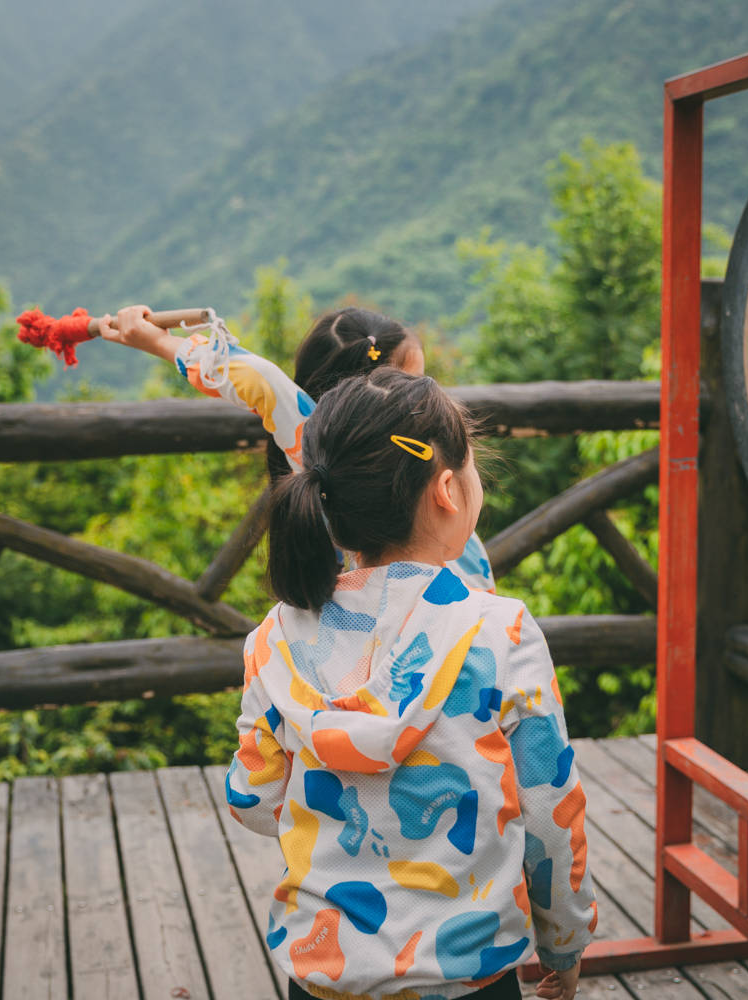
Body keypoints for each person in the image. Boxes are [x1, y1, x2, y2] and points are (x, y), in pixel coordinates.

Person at [224, 367, 595, 1000]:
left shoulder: (274, 638)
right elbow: (549, 813)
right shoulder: (497, 631)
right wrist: (564, 941)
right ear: (448, 489)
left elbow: (252, 800)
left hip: (325, 974)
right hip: (467, 976)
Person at [97, 304, 496, 591]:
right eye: (410, 382)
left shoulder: (333, 452)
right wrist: (159, 343)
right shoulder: (329, 442)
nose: (425, 396)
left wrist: (157, 340)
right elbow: (262, 379)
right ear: (360, 397)